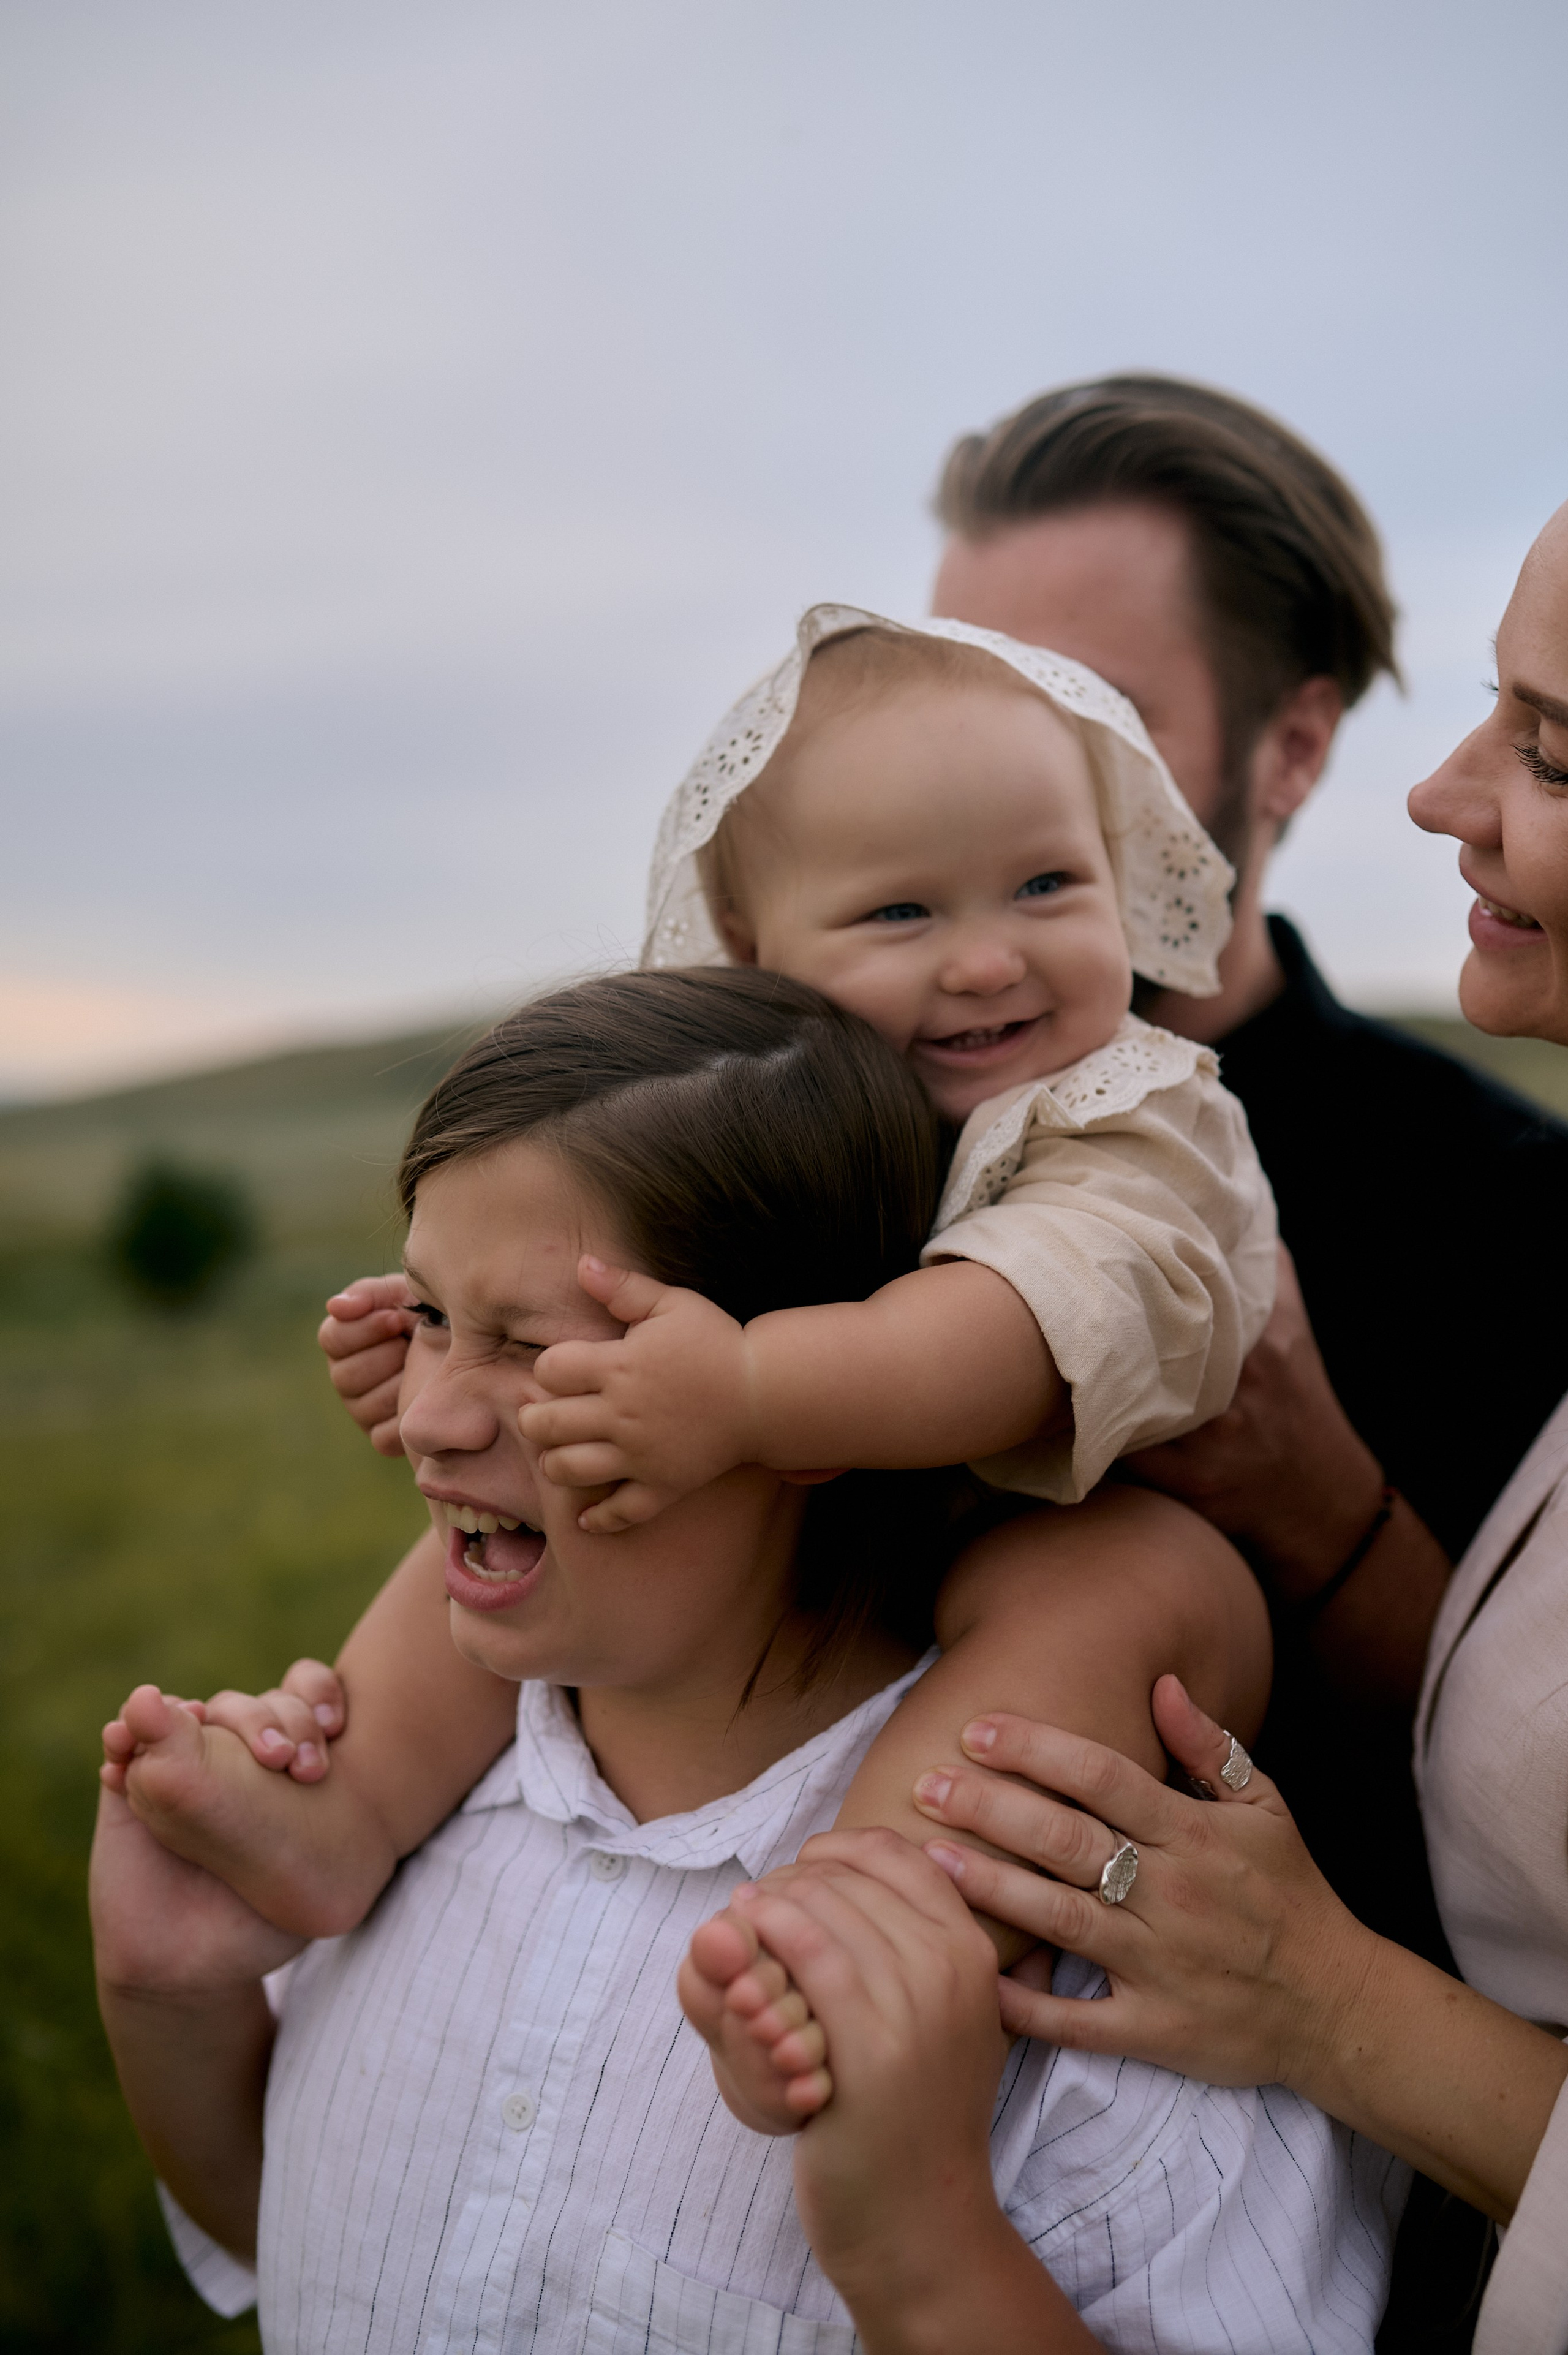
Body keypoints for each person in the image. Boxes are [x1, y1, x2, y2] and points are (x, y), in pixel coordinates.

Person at [92, 969, 1399, 2352]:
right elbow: (313, 2235)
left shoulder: (1081, 1979)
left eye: (532, 1346)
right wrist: (168, 1987)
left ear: (791, 1402)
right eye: (424, 1316)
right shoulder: (413, 1801)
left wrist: (924, 2242)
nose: (423, 1417)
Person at [105, 608, 1277, 2044]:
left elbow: (1014, 1328)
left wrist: (737, 1383)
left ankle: (872, 1923)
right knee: (541, 1489)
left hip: (1066, 1509)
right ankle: (340, 1805)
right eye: (903, 912)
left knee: (1118, 1586)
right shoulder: (800, 1110)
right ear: (751, 947)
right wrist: (468, 1345)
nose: (987, 961)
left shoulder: (1122, 1116)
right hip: (835, 1515)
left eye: (1046, 884)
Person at [865, 499, 1568, 2354]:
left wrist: (1310, 1495)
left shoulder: (1504, 1208)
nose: (1008, 769)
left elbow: (1520, 1847)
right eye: (962, 693)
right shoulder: (816, 1128)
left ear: (1294, 746)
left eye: (1086, 704)